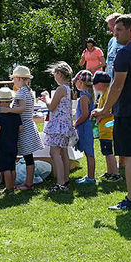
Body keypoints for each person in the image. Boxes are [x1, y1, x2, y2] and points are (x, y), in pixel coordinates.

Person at [92, 14, 131, 211]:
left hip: (128, 112)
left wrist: (105, 109)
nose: (114, 33)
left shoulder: (126, 52)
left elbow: (117, 85)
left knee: (130, 156)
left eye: (118, 30)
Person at [40, 62, 76, 192]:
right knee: (64, 152)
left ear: (59, 74)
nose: (54, 77)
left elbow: (51, 106)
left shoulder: (61, 88)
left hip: (58, 126)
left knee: (54, 152)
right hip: (65, 125)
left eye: (54, 74)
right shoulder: (68, 89)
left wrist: (46, 97)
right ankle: (65, 180)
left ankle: (60, 183)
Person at [7, 66, 44, 191]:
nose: (13, 82)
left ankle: (28, 183)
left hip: (25, 128)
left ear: (18, 78)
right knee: (28, 157)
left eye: (14, 79)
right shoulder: (28, 91)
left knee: (28, 157)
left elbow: (22, 108)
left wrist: (8, 110)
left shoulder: (22, 92)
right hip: (28, 125)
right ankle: (28, 182)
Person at [0, 87, 23, 195]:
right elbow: (20, 128)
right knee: (12, 166)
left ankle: (9, 188)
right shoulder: (15, 114)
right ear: (10, 101)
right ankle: (12, 186)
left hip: (3, 145)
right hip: (13, 143)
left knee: (5, 168)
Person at [92, 71, 120, 181]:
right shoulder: (103, 95)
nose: (94, 86)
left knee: (110, 153)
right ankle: (109, 172)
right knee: (106, 152)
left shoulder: (109, 94)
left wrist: (99, 115)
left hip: (109, 130)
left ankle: (116, 174)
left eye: (95, 83)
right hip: (103, 130)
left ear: (102, 84)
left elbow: (111, 111)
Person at [72, 70, 96, 185]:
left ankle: (91, 178)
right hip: (86, 127)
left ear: (80, 82)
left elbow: (85, 114)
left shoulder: (83, 97)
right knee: (88, 153)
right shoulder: (88, 94)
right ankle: (90, 176)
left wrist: (75, 123)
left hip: (85, 128)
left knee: (89, 153)